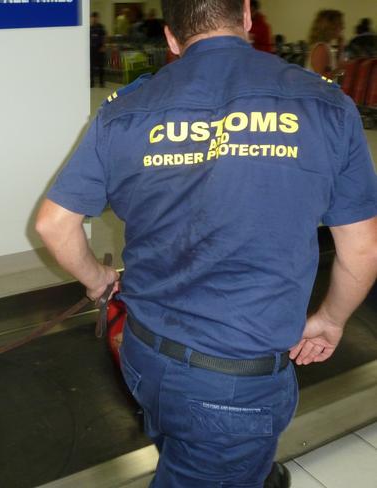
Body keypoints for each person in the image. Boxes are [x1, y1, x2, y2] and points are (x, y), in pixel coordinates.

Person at [36, 0, 377, 486]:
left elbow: (54, 224)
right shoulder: (323, 104)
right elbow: (363, 248)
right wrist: (330, 319)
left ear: (172, 39)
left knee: (184, 442)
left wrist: (100, 283)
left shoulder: (125, 110)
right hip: (235, 379)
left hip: (143, 354)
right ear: (244, 16)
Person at [307, 9, 344, 78]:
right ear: (330, 27)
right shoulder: (321, 48)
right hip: (316, 88)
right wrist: (336, 72)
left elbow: (336, 71)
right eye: (340, 24)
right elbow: (322, 79)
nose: (342, 27)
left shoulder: (327, 47)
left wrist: (341, 48)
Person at [90, 12, 107, 88]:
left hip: (100, 49)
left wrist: (103, 46)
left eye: (95, 17)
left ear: (98, 18)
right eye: (92, 17)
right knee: (91, 67)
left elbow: (104, 37)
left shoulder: (101, 27)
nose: (94, 19)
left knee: (101, 66)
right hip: (91, 49)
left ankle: (101, 82)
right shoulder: (89, 28)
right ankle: (91, 82)